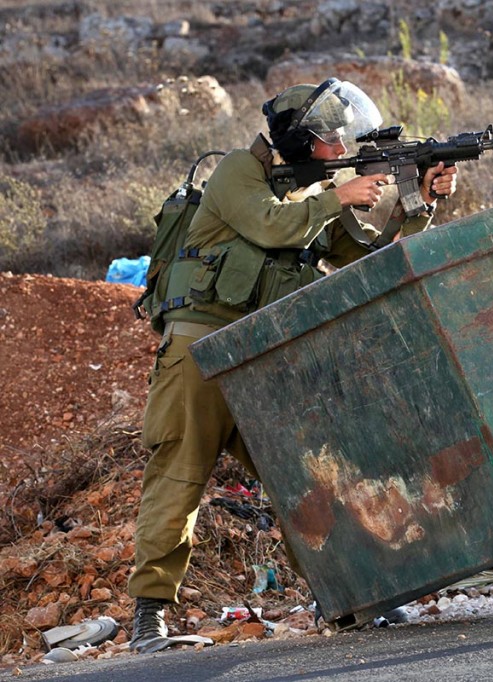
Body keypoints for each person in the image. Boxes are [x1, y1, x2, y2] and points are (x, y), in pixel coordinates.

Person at [127, 78, 457, 653]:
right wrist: (338, 196)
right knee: (180, 476)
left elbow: (373, 262)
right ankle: (148, 615)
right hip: (200, 351)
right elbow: (268, 225)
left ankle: (348, 594)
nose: (341, 152)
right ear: (303, 144)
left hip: (265, 357)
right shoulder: (239, 171)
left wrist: (421, 201)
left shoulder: (320, 191)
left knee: (308, 477)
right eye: (332, 142)